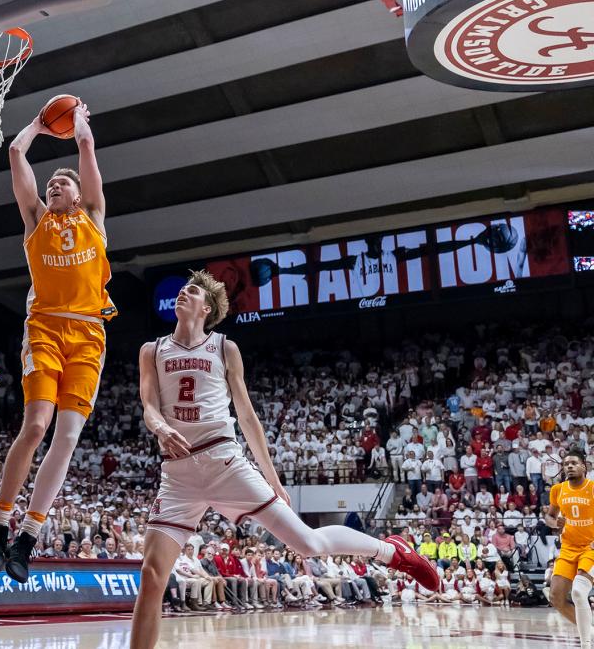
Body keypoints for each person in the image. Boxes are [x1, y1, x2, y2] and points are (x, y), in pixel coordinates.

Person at [128, 270, 439, 649]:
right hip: (177, 475)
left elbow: (247, 416)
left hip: (225, 461)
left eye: (191, 292)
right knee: (151, 573)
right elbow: (148, 407)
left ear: (206, 307)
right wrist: (160, 428)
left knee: (307, 543)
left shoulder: (224, 347)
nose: (182, 294)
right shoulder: (152, 350)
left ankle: (392, 552)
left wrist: (272, 478)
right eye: (181, 290)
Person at [0, 100, 116, 585]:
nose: (56, 185)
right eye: (52, 183)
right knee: (36, 427)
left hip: (89, 335)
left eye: (64, 183)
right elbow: (16, 155)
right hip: (45, 330)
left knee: (69, 436)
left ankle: (28, 537)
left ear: (79, 196)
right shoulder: (36, 218)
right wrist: (37, 125)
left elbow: (85, 146)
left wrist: (80, 121)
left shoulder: (93, 217)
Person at [546, 447, 594, 649]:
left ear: (584, 466)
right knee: (556, 597)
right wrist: (554, 523)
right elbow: (549, 516)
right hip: (568, 548)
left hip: (590, 548)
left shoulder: (592, 487)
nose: (569, 467)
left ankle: (586, 643)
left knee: (579, 592)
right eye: (566, 464)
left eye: (574, 463)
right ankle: (590, 631)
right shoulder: (558, 490)